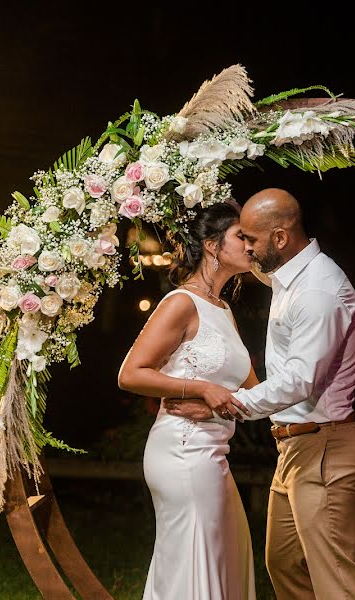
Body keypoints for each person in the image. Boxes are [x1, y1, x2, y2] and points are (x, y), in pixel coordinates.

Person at [192, 188, 355, 599]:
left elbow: (300, 380)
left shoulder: (317, 291)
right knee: (285, 564)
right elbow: (245, 261)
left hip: (324, 445)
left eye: (251, 240)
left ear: (280, 238)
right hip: (295, 447)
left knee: (337, 581)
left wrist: (228, 403)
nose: (246, 249)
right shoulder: (288, 273)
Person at [117, 200, 257, 600]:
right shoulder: (181, 302)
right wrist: (199, 389)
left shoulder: (224, 310)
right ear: (212, 245)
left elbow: (251, 387)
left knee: (222, 559)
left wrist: (218, 400)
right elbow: (131, 374)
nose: (250, 246)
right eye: (240, 237)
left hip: (215, 452)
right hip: (181, 450)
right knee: (194, 562)